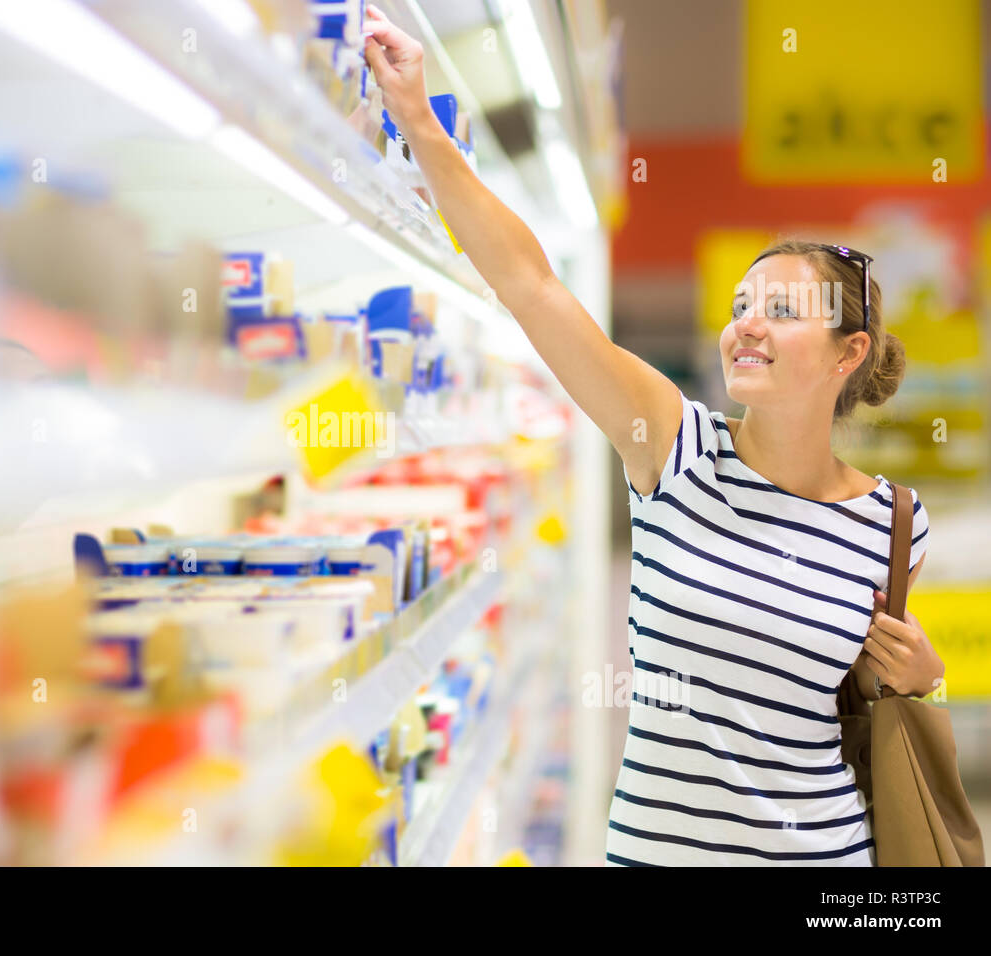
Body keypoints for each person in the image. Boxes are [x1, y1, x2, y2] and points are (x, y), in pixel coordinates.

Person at [362, 5, 945, 865]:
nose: (746, 326)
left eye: (780, 312)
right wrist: (421, 122)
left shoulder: (897, 521)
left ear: (847, 354)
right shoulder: (675, 449)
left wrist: (926, 679)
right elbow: (536, 289)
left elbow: (861, 698)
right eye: (741, 307)